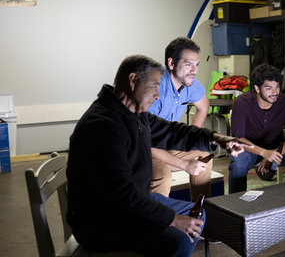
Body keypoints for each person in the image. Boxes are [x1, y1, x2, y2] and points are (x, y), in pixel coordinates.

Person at [66, 55, 248, 256]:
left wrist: (217, 138)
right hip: (103, 220)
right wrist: (172, 219)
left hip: (129, 203)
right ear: (133, 80)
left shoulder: (134, 113)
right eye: (154, 86)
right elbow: (122, 196)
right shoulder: (103, 126)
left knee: (197, 214)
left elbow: (172, 132)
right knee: (177, 238)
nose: (158, 95)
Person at [228, 63, 285, 193]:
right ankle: (235, 206)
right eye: (269, 88)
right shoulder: (242, 103)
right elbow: (238, 140)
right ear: (257, 88)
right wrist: (264, 153)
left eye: (277, 87)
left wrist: (274, 153)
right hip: (248, 148)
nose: (275, 92)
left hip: (276, 147)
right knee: (238, 165)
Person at [147, 37, 212, 200]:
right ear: (171, 63)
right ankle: (157, 222)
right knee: (163, 176)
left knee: (203, 159)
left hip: (166, 144)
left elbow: (203, 106)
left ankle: (200, 213)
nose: (194, 70)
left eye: (197, 65)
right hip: (143, 150)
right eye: (189, 64)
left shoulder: (189, 82)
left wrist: (190, 137)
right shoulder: (155, 87)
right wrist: (183, 164)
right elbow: (145, 141)